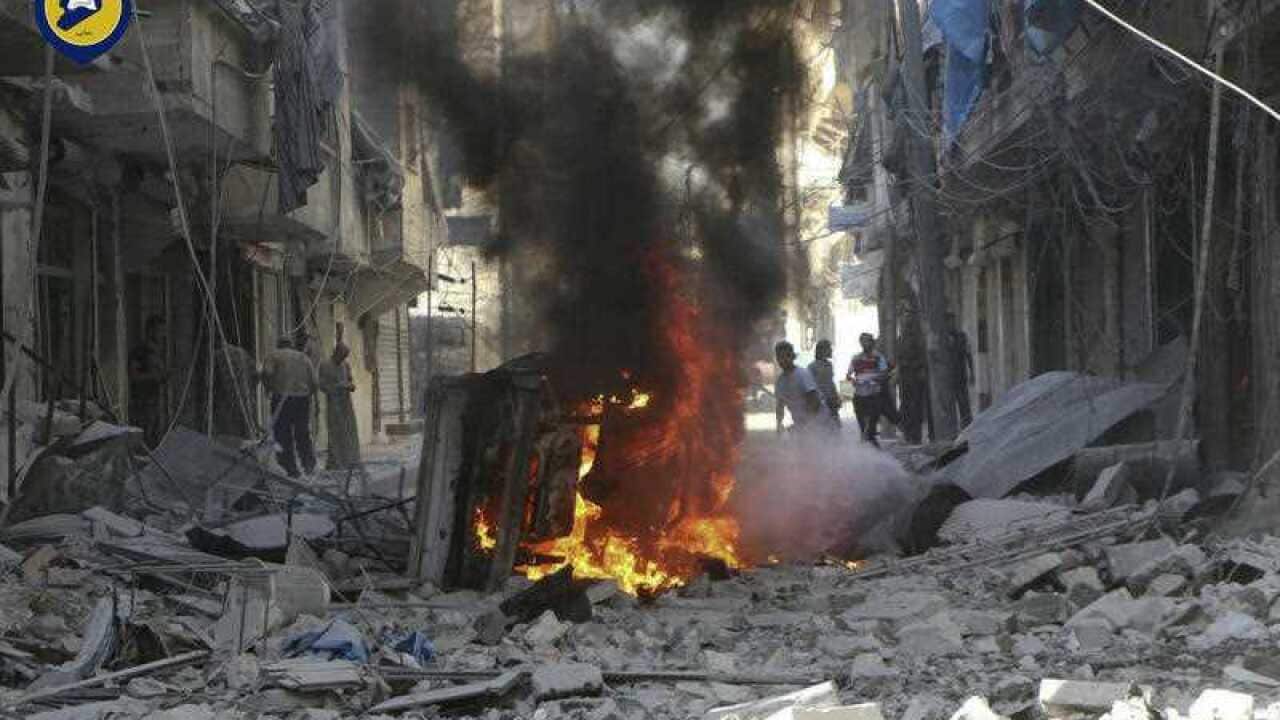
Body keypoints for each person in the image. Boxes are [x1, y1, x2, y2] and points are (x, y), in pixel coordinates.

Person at [260, 335, 318, 478]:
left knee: (282, 434)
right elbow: (314, 382)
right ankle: (309, 465)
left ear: (278, 345)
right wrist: (311, 398)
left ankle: (290, 469)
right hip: (302, 399)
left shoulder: (273, 355)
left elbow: (267, 373)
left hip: (281, 399)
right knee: (302, 433)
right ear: (291, 345)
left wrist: (268, 387)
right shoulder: (304, 358)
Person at [318, 342, 361, 470]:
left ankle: (350, 461)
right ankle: (336, 463)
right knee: (335, 433)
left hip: (346, 404)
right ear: (336, 353)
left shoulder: (345, 365)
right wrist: (335, 387)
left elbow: (351, 382)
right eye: (341, 356)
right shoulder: (325, 365)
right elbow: (321, 385)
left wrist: (350, 386)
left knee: (349, 432)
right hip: (334, 403)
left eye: (345, 357)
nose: (343, 359)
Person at [129, 315, 169, 447]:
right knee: (143, 438)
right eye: (160, 331)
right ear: (151, 331)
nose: (163, 335)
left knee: (154, 437)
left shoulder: (156, 352)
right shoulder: (139, 352)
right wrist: (154, 376)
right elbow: (134, 376)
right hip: (141, 403)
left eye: (164, 331)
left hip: (154, 401)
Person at [846, 333, 891, 447]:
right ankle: (868, 452)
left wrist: (875, 380)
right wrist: (852, 381)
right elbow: (848, 375)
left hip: (874, 395)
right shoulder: (855, 358)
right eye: (863, 341)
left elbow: (885, 373)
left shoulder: (878, 357)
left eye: (867, 341)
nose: (865, 344)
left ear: (872, 343)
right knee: (863, 427)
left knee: (871, 427)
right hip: (859, 395)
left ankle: (873, 451)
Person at [774, 340, 825, 434]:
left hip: (817, 424)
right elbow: (780, 406)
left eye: (787, 356)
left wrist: (806, 424)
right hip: (800, 425)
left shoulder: (802, 374)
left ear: (793, 356)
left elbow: (815, 402)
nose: (783, 360)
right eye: (780, 357)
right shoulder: (780, 381)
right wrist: (779, 424)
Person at [897, 310, 932, 444]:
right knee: (906, 406)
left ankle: (915, 436)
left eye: (908, 318)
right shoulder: (900, 339)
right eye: (904, 318)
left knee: (916, 406)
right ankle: (908, 434)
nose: (906, 321)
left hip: (915, 376)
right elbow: (898, 357)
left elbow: (923, 357)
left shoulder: (918, 338)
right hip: (904, 377)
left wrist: (915, 366)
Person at [945, 312, 975, 427]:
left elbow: (968, 355)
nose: (951, 324)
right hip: (948, 378)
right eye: (949, 322)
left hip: (960, 376)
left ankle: (967, 425)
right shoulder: (942, 339)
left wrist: (972, 372)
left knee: (964, 404)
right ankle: (952, 428)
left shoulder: (962, 337)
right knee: (949, 406)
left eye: (953, 321)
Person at [807, 339, 842, 427]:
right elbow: (810, 385)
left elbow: (831, 382)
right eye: (829, 348)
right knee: (823, 426)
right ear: (822, 350)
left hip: (831, 400)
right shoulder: (812, 366)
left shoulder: (829, 365)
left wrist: (836, 396)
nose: (831, 350)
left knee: (836, 426)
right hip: (820, 401)